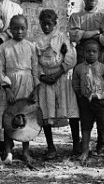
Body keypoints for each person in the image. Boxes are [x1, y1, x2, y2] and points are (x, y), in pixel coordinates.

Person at [68, 0, 104, 154]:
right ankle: (78, 143)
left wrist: (85, 35)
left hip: (100, 58)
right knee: (81, 98)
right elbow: (74, 36)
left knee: (102, 97)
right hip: (81, 59)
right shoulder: (76, 17)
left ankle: (102, 142)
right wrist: (96, 33)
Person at [34, 9, 79, 159]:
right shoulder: (38, 41)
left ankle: (76, 145)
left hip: (62, 77)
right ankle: (51, 146)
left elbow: (71, 57)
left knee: (71, 110)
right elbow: (35, 61)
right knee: (46, 112)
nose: (46, 27)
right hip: (46, 80)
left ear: (55, 23)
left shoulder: (62, 38)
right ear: (40, 23)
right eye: (43, 24)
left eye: (49, 24)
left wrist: (59, 72)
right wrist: (42, 76)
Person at [0, 14, 39, 165]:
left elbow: (35, 69)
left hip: (27, 84)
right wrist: (7, 90)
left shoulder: (31, 46)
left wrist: (35, 89)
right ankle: (8, 152)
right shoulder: (3, 48)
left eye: (22, 28)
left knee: (26, 116)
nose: (19, 31)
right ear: (10, 30)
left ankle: (25, 152)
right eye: (15, 28)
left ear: (27, 29)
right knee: (9, 116)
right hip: (10, 84)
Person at [72, 40, 104, 164]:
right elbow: (75, 83)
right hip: (86, 102)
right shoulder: (79, 68)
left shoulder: (103, 68)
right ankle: (85, 151)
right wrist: (81, 94)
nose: (91, 54)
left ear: (99, 54)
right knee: (85, 127)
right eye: (88, 51)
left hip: (101, 102)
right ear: (83, 53)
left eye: (94, 51)